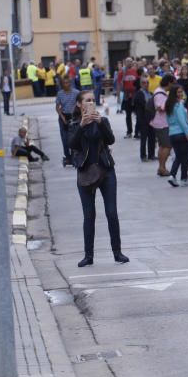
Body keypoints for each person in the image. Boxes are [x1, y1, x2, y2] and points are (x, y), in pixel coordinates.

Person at [69, 91, 127, 268]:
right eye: (87, 101)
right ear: (80, 105)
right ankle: (88, 256)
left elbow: (110, 140)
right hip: (86, 173)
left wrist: (101, 123)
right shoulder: (74, 124)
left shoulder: (103, 121)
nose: (91, 103)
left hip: (106, 170)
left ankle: (117, 253)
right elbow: (71, 145)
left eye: (93, 100)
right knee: (89, 215)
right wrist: (81, 126)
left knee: (111, 212)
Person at [166, 84, 188, 187]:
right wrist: (187, 132)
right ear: (174, 94)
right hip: (181, 133)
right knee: (184, 156)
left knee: (178, 156)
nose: (181, 94)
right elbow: (182, 120)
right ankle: (184, 178)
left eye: (181, 91)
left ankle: (173, 176)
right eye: (178, 92)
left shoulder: (169, 104)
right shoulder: (179, 105)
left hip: (172, 134)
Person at [150, 74, 174, 177]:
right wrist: (170, 104)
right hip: (162, 123)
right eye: (173, 83)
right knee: (167, 147)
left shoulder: (161, 92)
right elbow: (160, 107)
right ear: (169, 83)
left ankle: (161, 167)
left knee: (162, 146)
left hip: (159, 123)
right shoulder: (160, 93)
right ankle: (162, 168)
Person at [55, 76, 80, 167]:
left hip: (74, 116)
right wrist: (62, 118)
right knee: (65, 139)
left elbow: (80, 104)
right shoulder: (60, 94)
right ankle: (68, 156)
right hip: (64, 116)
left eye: (68, 82)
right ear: (62, 84)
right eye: (65, 83)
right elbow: (57, 108)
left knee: (73, 139)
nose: (67, 84)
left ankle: (74, 157)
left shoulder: (76, 93)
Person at [133, 76, 155, 163]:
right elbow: (143, 107)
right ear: (140, 84)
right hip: (143, 120)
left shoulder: (150, 93)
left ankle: (151, 154)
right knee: (144, 139)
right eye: (144, 83)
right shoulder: (139, 94)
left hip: (152, 119)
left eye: (147, 82)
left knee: (152, 138)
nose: (146, 84)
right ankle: (143, 155)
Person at [121, 59, 138, 138]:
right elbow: (119, 83)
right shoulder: (122, 72)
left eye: (130, 61)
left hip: (135, 96)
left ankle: (138, 132)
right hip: (127, 96)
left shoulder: (136, 71)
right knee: (128, 115)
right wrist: (118, 96)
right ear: (125, 63)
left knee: (138, 114)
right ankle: (129, 132)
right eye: (127, 61)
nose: (129, 63)